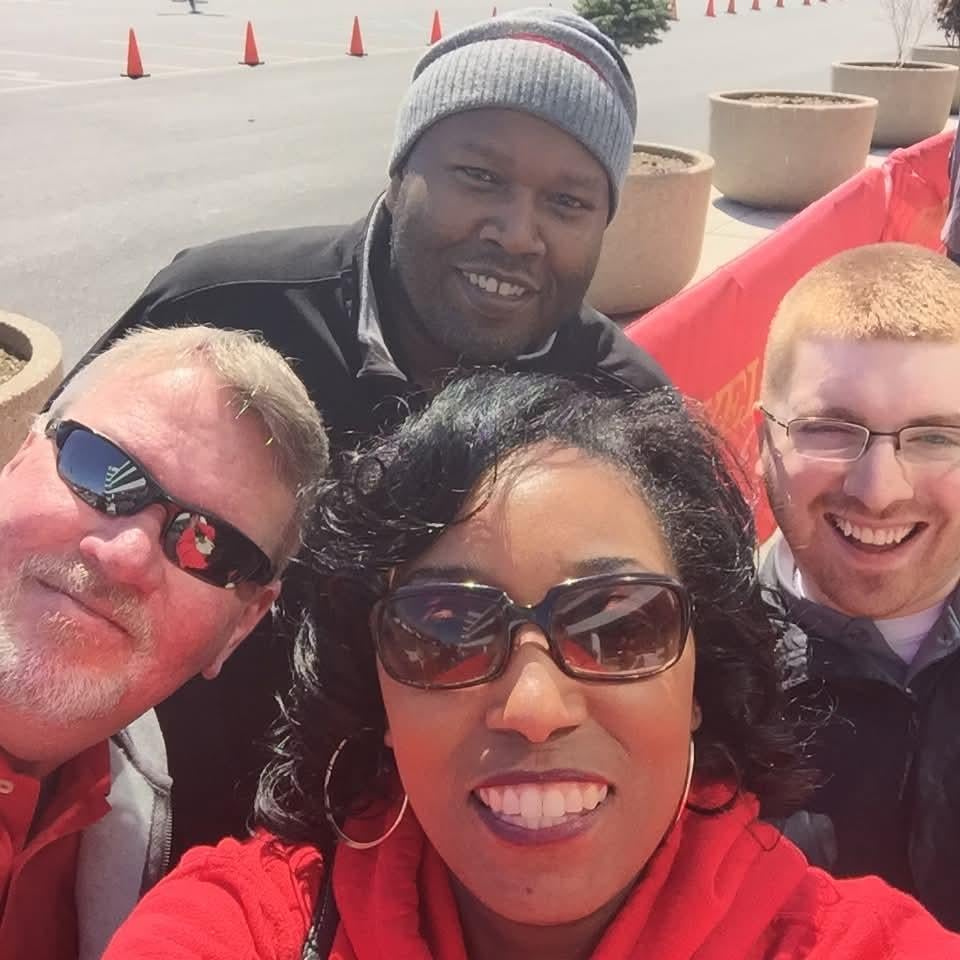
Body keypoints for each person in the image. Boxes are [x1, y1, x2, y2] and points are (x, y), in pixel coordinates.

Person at [66, 7, 671, 859]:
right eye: (479, 176)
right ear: (400, 171)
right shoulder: (223, 311)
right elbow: (55, 514)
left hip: (466, 872)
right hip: (185, 836)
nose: (516, 232)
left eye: (568, 201)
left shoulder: (627, 412)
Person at [103, 372, 960, 959]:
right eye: (445, 633)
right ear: (379, 698)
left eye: (619, 625)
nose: (535, 706)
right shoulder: (248, 929)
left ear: (701, 681)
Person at [0, 325, 328, 960]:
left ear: (241, 626)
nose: (126, 556)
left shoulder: (146, 841)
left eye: (208, 546)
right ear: (16, 457)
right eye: (103, 472)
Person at [755, 242, 960, 931]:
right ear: (763, 441)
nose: (878, 491)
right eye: (829, 430)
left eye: (935, 437)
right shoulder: (696, 677)